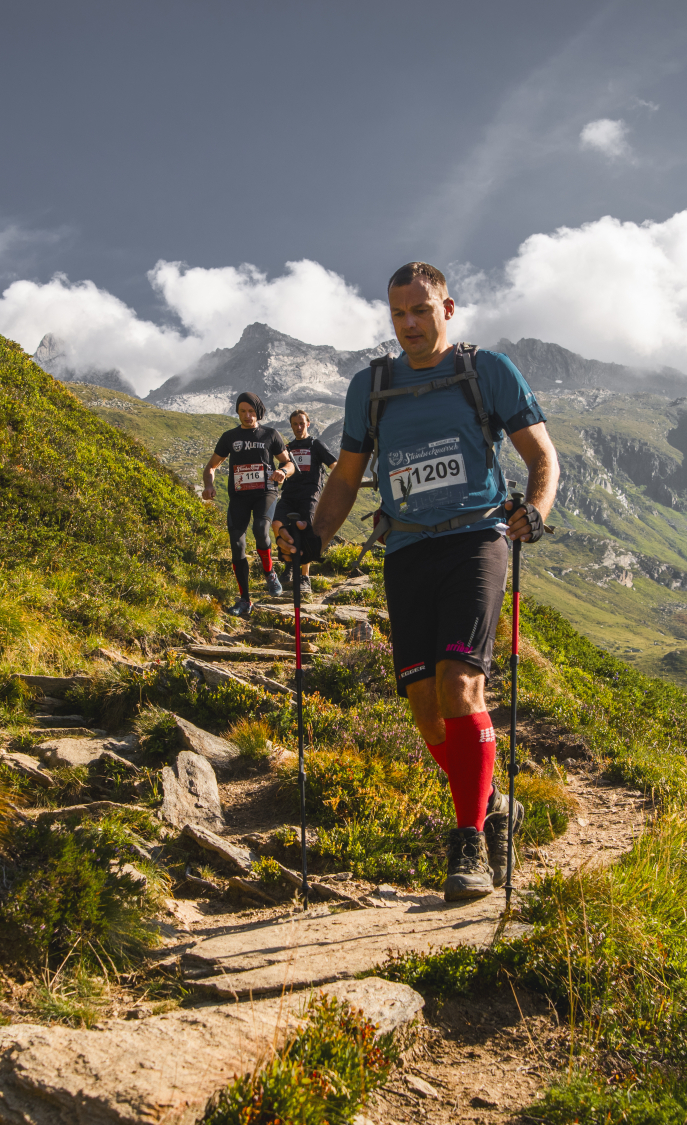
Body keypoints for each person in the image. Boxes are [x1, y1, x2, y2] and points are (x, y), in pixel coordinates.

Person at [278, 262, 559, 901]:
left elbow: (541, 456)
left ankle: (468, 847)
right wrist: (316, 536)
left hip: (476, 540)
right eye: (397, 313)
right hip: (407, 550)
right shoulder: (370, 387)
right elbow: (346, 478)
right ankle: (492, 804)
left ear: (448, 309)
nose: (408, 324)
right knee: (427, 709)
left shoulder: (485, 371)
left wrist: (534, 512)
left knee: (462, 682)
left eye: (420, 311)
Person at [202, 391, 292, 616]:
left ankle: (270, 573)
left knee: (261, 529)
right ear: (238, 412)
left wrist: (282, 472)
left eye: (251, 411)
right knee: (237, 545)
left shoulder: (270, 434)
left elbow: (289, 463)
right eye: (243, 411)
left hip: (266, 493)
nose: (247, 416)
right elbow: (211, 467)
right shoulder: (229, 437)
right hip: (239, 497)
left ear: (258, 412)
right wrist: (209, 486)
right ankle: (245, 600)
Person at [276, 409, 338, 591]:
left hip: (310, 494)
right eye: (295, 424)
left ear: (308, 424)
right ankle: (289, 568)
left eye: (302, 423)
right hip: (289, 494)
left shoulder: (316, 445)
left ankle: (304, 577)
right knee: (281, 526)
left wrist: (337, 488)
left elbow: (334, 465)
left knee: (306, 529)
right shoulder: (287, 448)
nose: (298, 427)